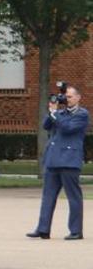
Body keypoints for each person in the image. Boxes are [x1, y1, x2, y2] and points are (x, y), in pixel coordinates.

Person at [29, 84, 87, 241]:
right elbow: (46, 125)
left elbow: (68, 128)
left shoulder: (82, 114)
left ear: (78, 97)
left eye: (69, 97)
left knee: (73, 197)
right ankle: (43, 229)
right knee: (48, 196)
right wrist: (51, 111)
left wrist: (56, 114)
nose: (66, 100)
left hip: (69, 160)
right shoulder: (59, 113)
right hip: (53, 159)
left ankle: (76, 231)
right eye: (65, 97)